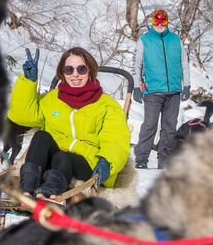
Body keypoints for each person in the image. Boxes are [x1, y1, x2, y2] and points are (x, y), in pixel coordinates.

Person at [8, 47, 131, 200]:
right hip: (56, 157)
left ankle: (48, 193)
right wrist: (28, 82)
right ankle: (27, 188)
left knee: (63, 158)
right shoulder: (53, 99)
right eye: (69, 69)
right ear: (62, 73)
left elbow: (116, 139)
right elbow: (22, 116)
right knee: (41, 136)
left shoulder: (107, 105)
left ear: (90, 71)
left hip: (89, 162)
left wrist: (108, 161)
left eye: (81, 69)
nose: (75, 75)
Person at [132, 9, 190, 169]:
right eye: (156, 21)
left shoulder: (175, 40)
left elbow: (184, 64)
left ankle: (164, 160)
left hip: (174, 91)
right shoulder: (145, 40)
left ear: (167, 22)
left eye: (163, 21)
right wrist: (136, 86)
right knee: (150, 124)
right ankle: (141, 159)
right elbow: (137, 65)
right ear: (152, 22)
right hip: (153, 91)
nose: (159, 24)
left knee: (170, 126)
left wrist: (186, 85)